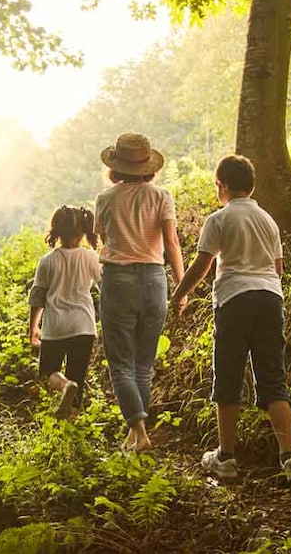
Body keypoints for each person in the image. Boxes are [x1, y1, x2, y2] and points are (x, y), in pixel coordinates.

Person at [170, 154, 291, 481]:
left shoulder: (219, 219)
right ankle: (290, 459)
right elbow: (277, 268)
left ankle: (226, 458)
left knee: (229, 375)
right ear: (252, 186)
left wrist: (179, 294)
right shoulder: (268, 221)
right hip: (270, 298)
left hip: (234, 300)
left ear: (222, 186)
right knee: (273, 378)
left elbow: (202, 265)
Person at [94, 133, 185, 452]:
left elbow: (102, 237)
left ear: (115, 167)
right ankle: (136, 435)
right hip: (154, 279)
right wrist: (181, 287)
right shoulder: (162, 196)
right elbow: (172, 243)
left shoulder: (105, 198)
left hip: (118, 280)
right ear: (149, 167)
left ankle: (139, 431)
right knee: (143, 366)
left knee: (121, 364)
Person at [29, 205, 102, 419]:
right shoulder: (91, 257)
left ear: (57, 231)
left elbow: (38, 296)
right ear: (83, 232)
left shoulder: (48, 260)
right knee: (77, 374)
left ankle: (64, 385)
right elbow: (105, 288)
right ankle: (71, 420)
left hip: (56, 326)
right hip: (84, 325)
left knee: (48, 371)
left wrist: (33, 327)